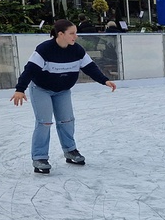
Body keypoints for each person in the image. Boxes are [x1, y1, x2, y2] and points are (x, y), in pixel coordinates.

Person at [11, 19, 116, 174]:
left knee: (67, 120)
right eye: (72, 33)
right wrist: (20, 89)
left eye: (76, 33)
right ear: (60, 34)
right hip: (41, 89)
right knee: (44, 122)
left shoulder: (77, 50)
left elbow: (90, 67)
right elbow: (30, 70)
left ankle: (70, 151)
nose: (76, 36)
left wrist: (104, 80)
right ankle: (39, 157)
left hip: (63, 90)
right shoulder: (44, 49)